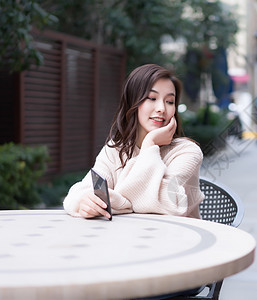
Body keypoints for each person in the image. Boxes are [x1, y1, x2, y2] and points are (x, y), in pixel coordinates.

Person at [63, 64, 204, 219]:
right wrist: (83, 201)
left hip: (179, 239)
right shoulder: (114, 150)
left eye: (169, 101)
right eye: (152, 98)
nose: (161, 108)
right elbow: (81, 192)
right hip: (125, 239)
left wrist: (150, 144)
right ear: (133, 102)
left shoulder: (187, 152)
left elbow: (168, 205)